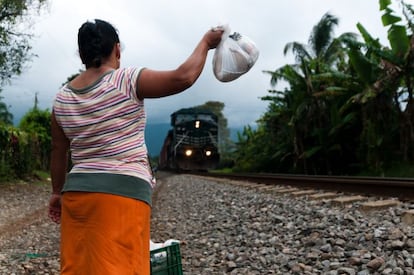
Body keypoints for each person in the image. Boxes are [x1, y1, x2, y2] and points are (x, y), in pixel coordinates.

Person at [48, 19, 223, 275]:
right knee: (123, 267)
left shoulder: (62, 98)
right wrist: (206, 43)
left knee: (80, 268)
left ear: (81, 54)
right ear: (117, 50)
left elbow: (58, 152)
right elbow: (183, 77)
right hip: (124, 193)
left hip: (78, 194)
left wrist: (56, 193)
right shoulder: (126, 80)